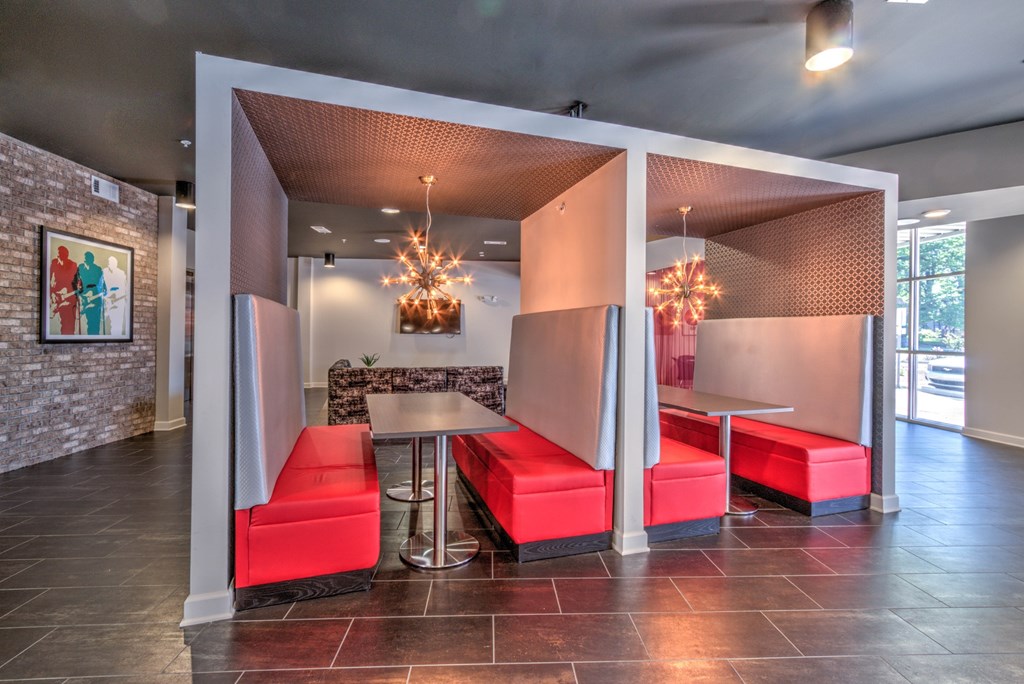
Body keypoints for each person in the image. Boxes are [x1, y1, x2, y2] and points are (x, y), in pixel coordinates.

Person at [72, 251, 105, 335]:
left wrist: (93, 292)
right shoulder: (80, 267)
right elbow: (74, 282)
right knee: (84, 324)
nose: (86, 261)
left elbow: (100, 285)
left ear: (92, 260)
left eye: (88, 260)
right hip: (83, 298)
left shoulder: (97, 269)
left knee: (93, 324)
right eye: (85, 259)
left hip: (94, 300)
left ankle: (93, 339)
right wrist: (79, 294)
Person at [48, 245, 78, 334]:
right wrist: (52, 294)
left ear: (66, 255)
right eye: (59, 254)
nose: (59, 256)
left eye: (62, 254)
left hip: (68, 298)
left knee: (68, 326)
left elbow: (74, 283)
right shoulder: (54, 263)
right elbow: (49, 280)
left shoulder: (73, 265)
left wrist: (66, 291)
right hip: (56, 297)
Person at [103, 255, 128, 336]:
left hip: (118, 303)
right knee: (105, 326)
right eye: (109, 262)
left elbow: (125, 288)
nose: (109, 264)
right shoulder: (104, 272)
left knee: (117, 326)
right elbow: (101, 287)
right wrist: (105, 298)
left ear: (116, 264)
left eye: (112, 262)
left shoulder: (121, 273)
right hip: (107, 302)